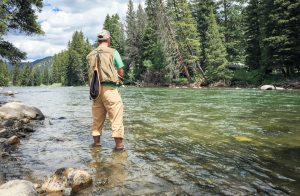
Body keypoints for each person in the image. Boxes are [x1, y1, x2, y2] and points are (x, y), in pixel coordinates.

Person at [87, 29, 125, 150]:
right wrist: (118, 79)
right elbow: (121, 70)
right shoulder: (113, 52)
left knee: (97, 120)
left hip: (95, 91)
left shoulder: (90, 55)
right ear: (108, 40)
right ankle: (119, 148)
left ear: (98, 41)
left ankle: (96, 147)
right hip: (111, 90)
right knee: (116, 119)